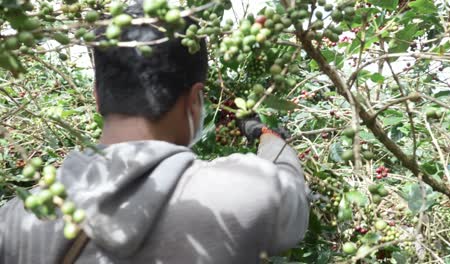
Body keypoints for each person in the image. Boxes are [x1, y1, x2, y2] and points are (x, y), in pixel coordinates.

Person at [0, 5, 309, 264]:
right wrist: (266, 134)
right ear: (195, 100)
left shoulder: (17, 221)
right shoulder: (246, 193)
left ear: (97, 95)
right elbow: (290, 182)